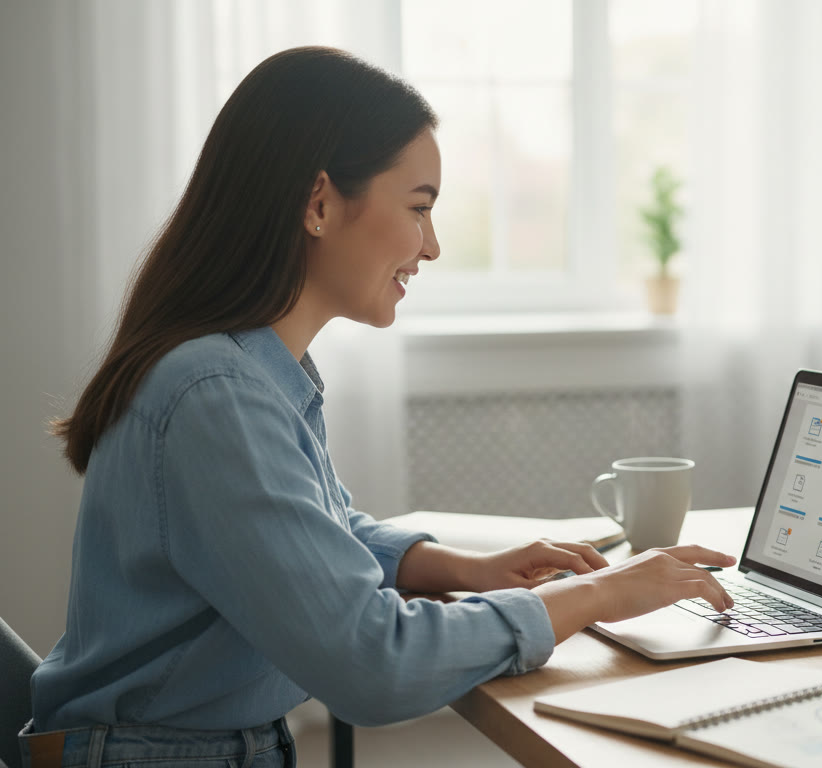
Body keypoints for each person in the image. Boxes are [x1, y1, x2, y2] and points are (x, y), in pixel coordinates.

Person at [22, 46, 734, 768]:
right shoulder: (217, 395)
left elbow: (312, 533)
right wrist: (601, 594)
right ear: (319, 204)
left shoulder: (247, 372)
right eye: (419, 208)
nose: (433, 246)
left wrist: (464, 568)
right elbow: (372, 664)